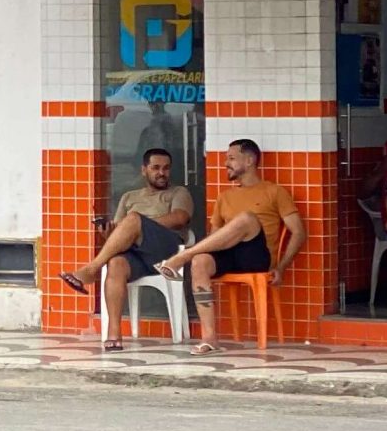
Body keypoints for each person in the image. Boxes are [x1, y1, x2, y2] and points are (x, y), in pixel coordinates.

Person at [153, 138, 307, 353]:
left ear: (250, 160)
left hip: (256, 257)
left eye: (232, 158)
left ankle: (183, 257)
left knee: (246, 219)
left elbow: (298, 232)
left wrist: (281, 267)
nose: (226, 163)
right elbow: (214, 238)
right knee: (200, 262)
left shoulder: (274, 192)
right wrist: (203, 254)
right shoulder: (224, 197)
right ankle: (209, 339)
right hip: (229, 254)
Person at [66, 148, 196, 349]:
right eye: (156, 168)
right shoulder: (129, 197)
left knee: (134, 219)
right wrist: (108, 234)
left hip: (166, 252)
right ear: (144, 170)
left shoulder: (179, 192)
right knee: (116, 263)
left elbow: (180, 218)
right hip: (137, 254)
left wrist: (141, 226)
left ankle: (91, 270)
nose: (162, 173)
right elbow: (119, 233)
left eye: (166, 168)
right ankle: (114, 334)